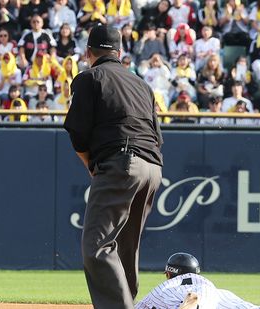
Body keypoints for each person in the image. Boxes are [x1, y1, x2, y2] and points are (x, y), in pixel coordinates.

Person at [63, 25, 163, 309]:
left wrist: (90, 166)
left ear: (88, 53)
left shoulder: (89, 78)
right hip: (153, 168)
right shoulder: (142, 84)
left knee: (97, 247)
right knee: (125, 249)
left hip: (122, 162)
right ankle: (128, 303)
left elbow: (78, 133)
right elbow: (158, 136)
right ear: (120, 53)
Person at [135, 252, 260, 309]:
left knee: (158, 303)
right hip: (209, 294)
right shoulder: (215, 289)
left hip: (183, 297)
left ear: (168, 273)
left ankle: (192, 305)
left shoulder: (167, 285)